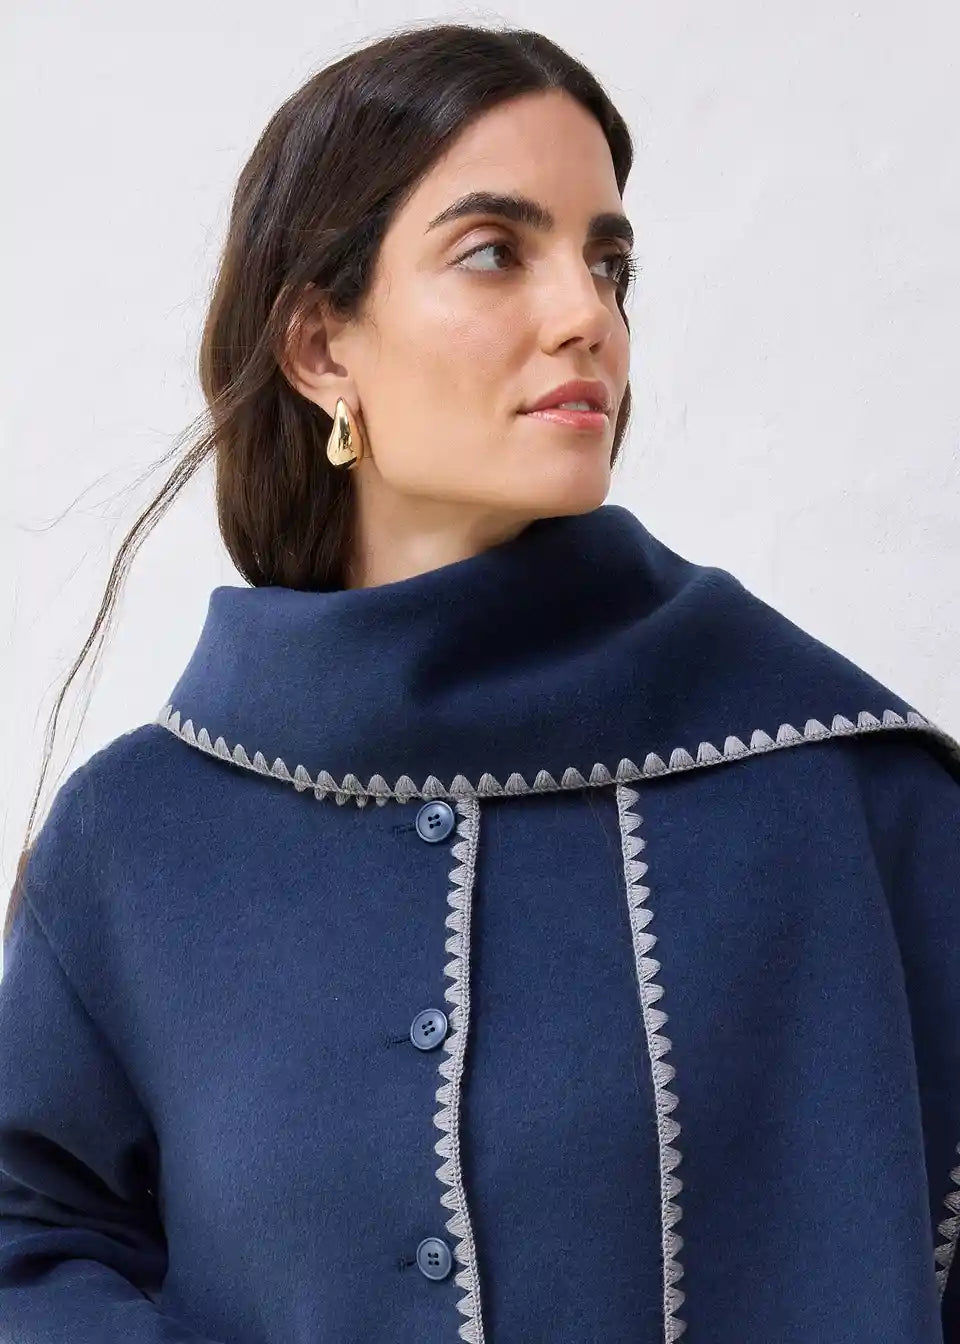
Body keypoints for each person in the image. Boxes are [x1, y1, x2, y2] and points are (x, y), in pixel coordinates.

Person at [2, 21, 958, 1344]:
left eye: (609, 263)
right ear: (320, 349)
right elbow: (29, 1239)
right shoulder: (137, 839)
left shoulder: (852, 797)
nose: (588, 316)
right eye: (497, 252)